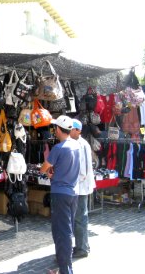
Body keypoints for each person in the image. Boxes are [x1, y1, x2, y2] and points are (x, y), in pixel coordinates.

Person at [40, 115, 80, 274]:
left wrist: (47, 172)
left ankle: (66, 270)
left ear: (58, 129)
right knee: (66, 230)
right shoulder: (76, 146)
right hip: (72, 192)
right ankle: (64, 266)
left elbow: (44, 167)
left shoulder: (59, 148)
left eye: (54, 128)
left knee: (61, 232)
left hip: (60, 193)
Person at [70, 119, 96, 259]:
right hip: (80, 186)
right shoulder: (79, 143)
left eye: (71, 129)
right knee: (79, 217)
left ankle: (82, 248)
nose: (69, 131)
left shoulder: (80, 144)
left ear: (78, 130)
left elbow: (83, 170)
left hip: (80, 186)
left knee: (80, 217)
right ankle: (83, 244)